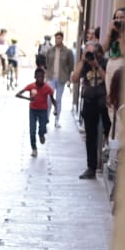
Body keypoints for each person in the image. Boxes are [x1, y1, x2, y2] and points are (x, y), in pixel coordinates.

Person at [73, 44, 112, 179]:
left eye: (93, 53)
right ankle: (91, 168)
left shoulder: (106, 63)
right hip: (89, 102)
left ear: (100, 53)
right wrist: (82, 61)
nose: (91, 56)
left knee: (109, 131)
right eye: (88, 53)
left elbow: (108, 80)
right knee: (90, 137)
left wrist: (97, 65)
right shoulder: (85, 64)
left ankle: (110, 161)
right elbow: (74, 79)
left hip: (103, 102)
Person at [16, 67, 54, 158]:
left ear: (44, 77)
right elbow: (18, 94)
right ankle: (34, 149)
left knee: (42, 128)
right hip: (33, 110)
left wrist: (56, 109)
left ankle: (41, 134)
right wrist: (29, 99)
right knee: (32, 130)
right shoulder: (31, 86)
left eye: (42, 77)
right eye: (38, 77)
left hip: (43, 111)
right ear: (35, 77)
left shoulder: (47, 88)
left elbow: (53, 99)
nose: (40, 79)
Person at [43, 31, 76, 128]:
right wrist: (47, 75)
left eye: (59, 38)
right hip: (51, 78)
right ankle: (46, 119)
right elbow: (47, 63)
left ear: (62, 39)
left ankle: (57, 120)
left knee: (58, 100)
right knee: (49, 99)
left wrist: (68, 76)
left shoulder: (67, 51)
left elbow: (71, 65)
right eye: (56, 38)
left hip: (61, 78)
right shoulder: (50, 50)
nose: (57, 40)